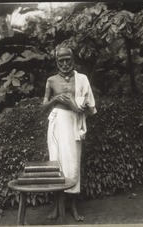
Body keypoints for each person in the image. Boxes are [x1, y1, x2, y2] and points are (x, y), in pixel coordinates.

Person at [42, 46, 96, 221]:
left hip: (73, 124)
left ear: (73, 60)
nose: (65, 63)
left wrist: (77, 106)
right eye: (61, 60)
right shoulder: (51, 81)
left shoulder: (81, 79)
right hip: (56, 123)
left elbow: (90, 108)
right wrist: (55, 99)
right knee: (56, 163)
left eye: (67, 60)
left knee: (73, 164)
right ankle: (57, 207)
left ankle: (73, 206)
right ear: (56, 62)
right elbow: (43, 107)